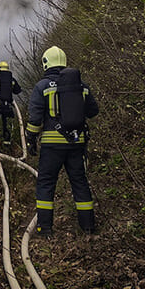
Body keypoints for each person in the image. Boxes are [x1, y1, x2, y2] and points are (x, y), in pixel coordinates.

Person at [25, 46, 98, 236]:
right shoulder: (81, 86)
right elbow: (93, 111)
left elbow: (35, 118)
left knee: (46, 183)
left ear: (45, 63)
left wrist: (31, 138)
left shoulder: (42, 87)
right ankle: (88, 227)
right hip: (77, 144)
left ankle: (45, 229)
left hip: (52, 146)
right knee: (80, 182)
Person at [0, 61, 22, 145]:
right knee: (7, 126)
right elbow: (17, 91)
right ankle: (7, 144)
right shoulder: (12, 80)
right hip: (7, 107)